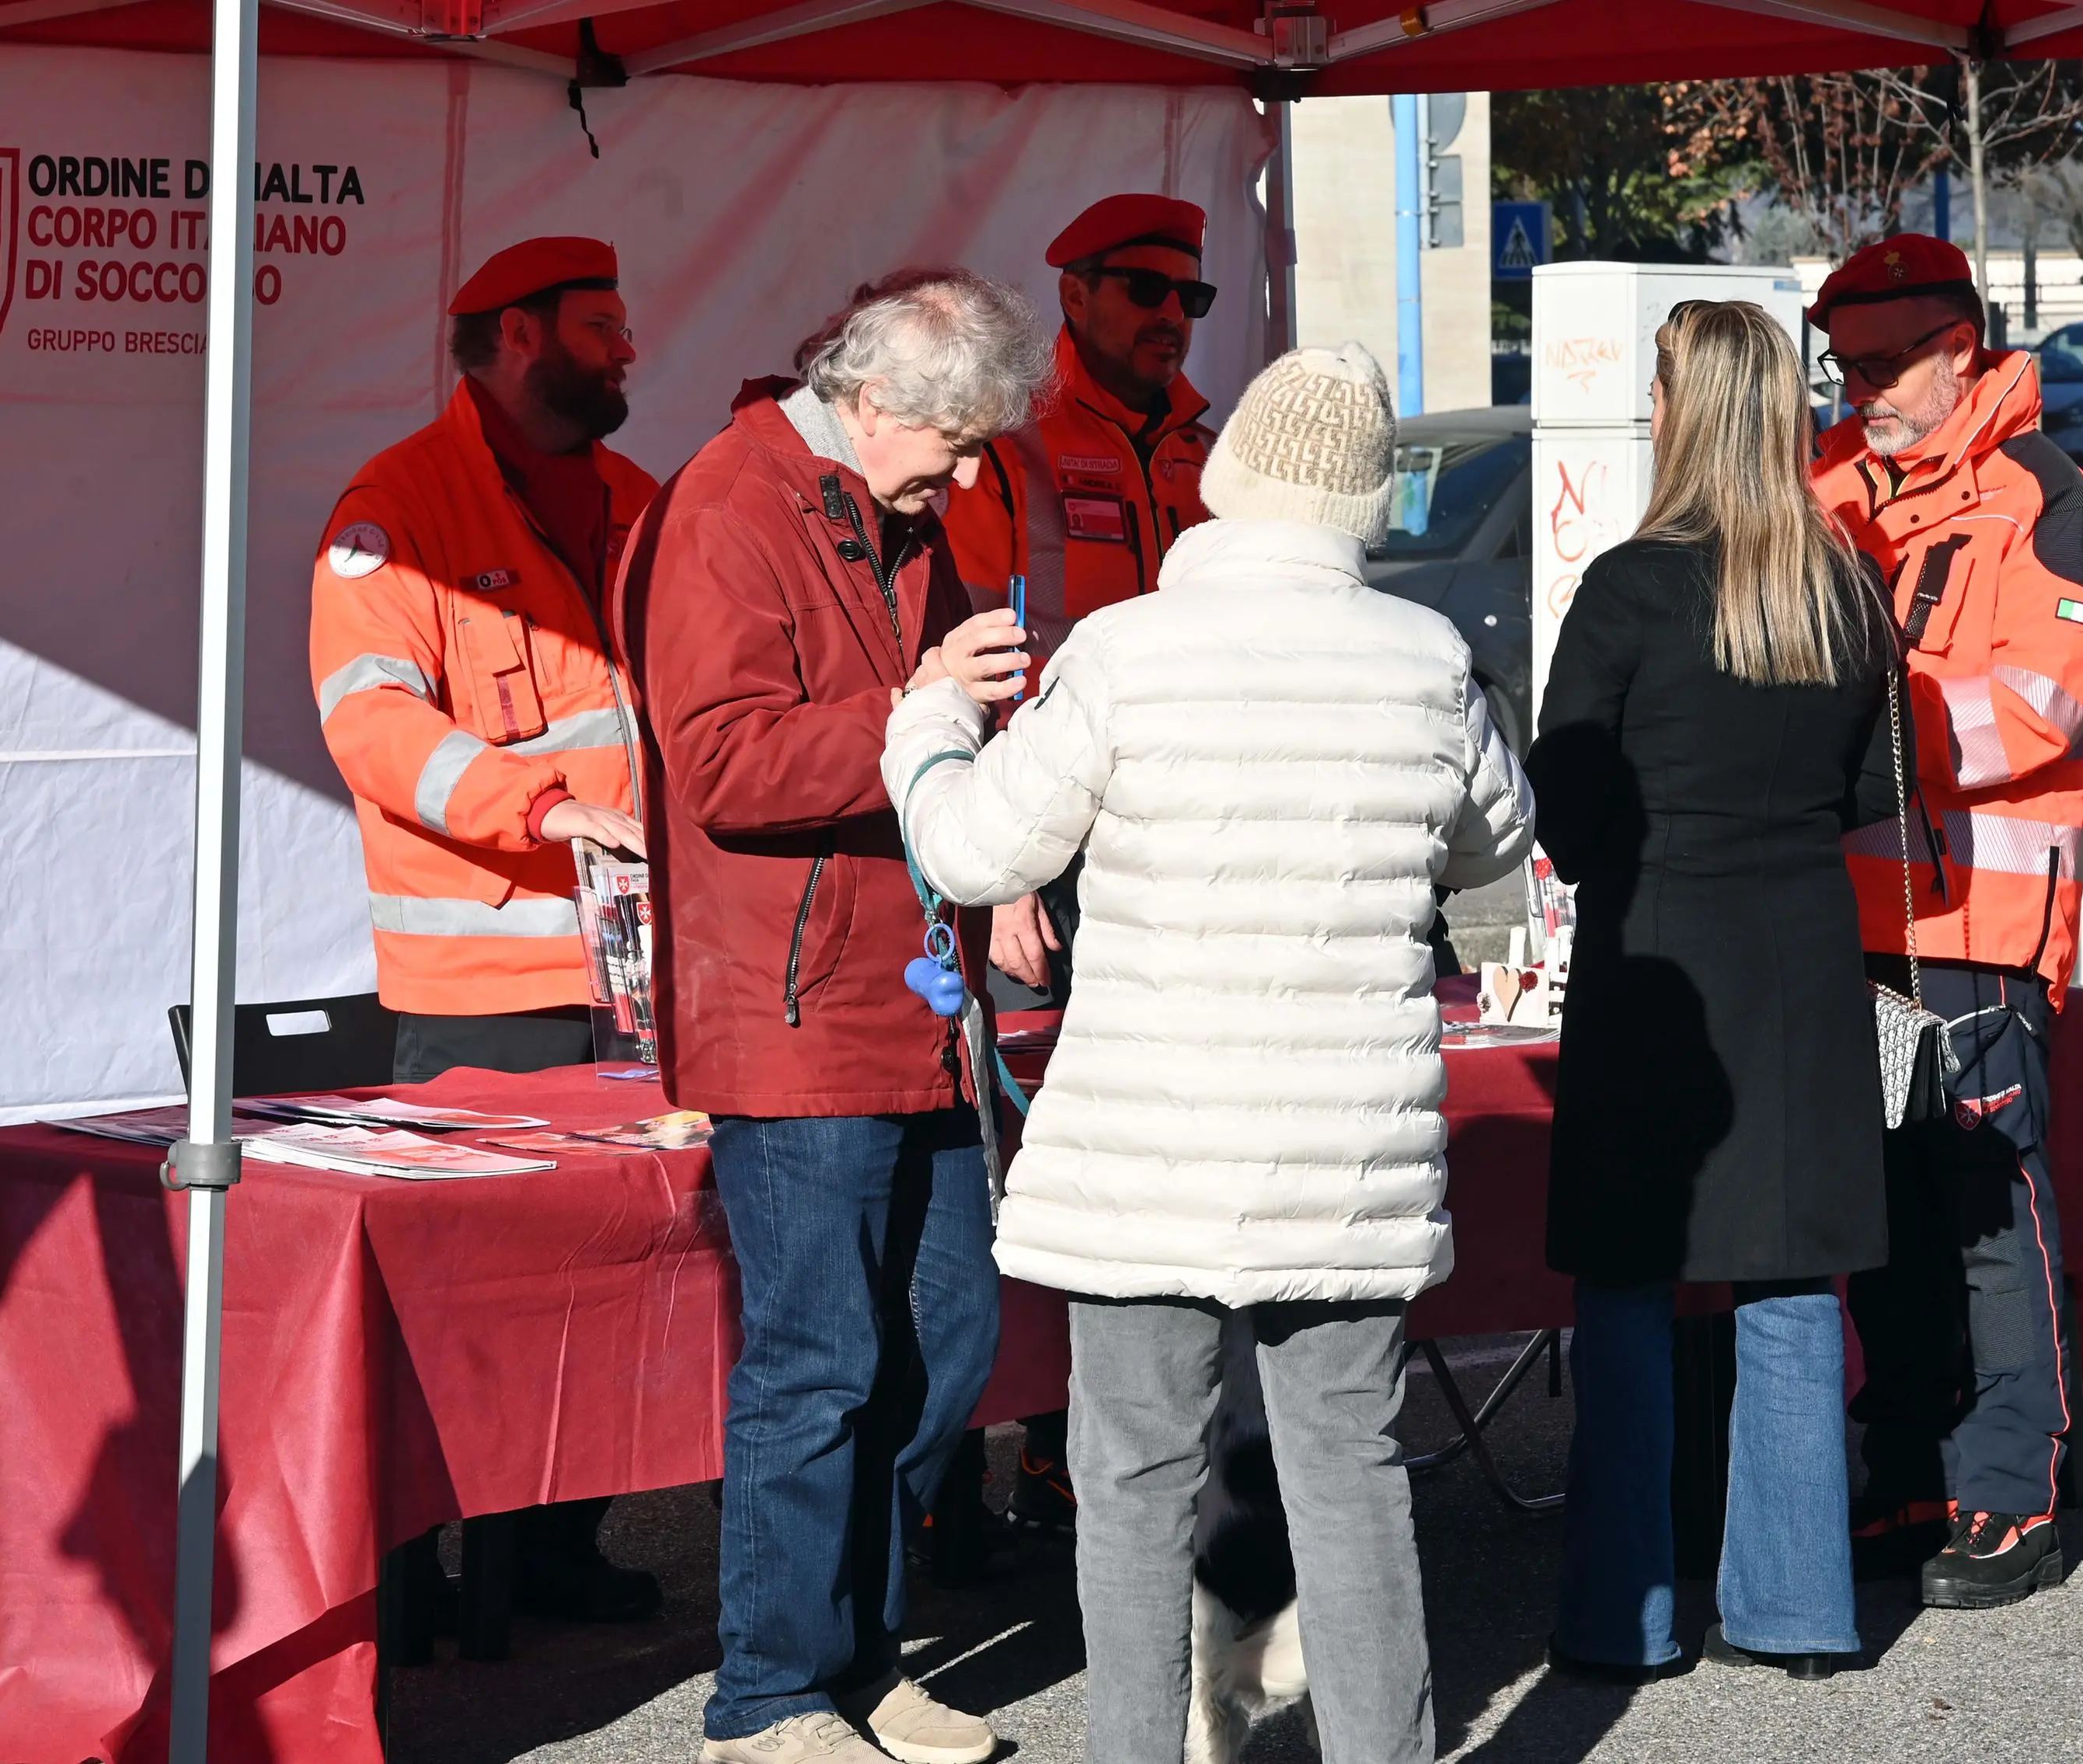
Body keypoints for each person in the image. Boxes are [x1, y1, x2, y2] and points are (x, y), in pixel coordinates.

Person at [884, 342, 1532, 1764]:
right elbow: (1494, 842)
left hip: (1148, 1146)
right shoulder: (1429, 660)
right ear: (1359, 507)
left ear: (1227, 489)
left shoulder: (1124, 648)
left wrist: (928, 722)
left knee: (1131, 1479)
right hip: (1345, 1147)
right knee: (1350, 1475)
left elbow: (975, 844)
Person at [622, 269, 1049, 1764]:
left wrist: (986, 846)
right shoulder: (729, 505)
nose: (971, 473)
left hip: (913, 996)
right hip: (793, 1007)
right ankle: (770, 1694)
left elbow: (918, 748)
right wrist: (916, 712)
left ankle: (855, 1662)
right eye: (956, 441)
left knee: (945, 1333)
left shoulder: (894, 507)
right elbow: (725, 765)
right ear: (874, 403)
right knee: (820, 1360)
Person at [1531, 300, 1900, 1682]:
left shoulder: (1632, 584)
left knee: (1629, 1290)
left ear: (1682, 411)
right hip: (1801, 950)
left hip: (1654, 958)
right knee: (1792, 1285)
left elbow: (1561, 793)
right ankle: (1798, 1608)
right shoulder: (1839, 582)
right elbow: (1877, 790)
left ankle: (1622, 1616)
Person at [306, 234, 663, 1624]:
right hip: (482, 988)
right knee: (467, 1307)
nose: (629, 348)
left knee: (609, 1289)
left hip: (632, 973)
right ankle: (424, 1577)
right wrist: (544, 808)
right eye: (601, 325)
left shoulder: (635, 497)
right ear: (520, 337)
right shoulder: (392, 509)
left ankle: (554, 1550)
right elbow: (372, 724)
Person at [1810, 235, 2083, 1609]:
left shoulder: (2046, 502)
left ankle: (2012, 1487)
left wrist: (1835, 725)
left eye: (1885, 365)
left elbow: (2033, 712)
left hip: (1982, 926)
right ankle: (1908, 1465)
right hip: (1847, 919)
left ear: (1963, 349)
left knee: (1988, 1208)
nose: (1861, 388)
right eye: (1846, 365)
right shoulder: (1829, 485)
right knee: (1878, 1210)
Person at [937, 190, 1221, 1534]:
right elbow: (972, 664)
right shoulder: (1010, 453)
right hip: (1042, 865)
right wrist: (995, 877)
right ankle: (950, 1468)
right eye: (1147, 293)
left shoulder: (1211, 456)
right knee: (1021, 1168)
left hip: (1170, 867)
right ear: (1076, 295)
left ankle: (1077, 1451)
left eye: (1191, 299)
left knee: (1136, 1163)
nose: (1173, 319)